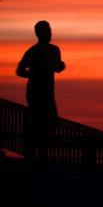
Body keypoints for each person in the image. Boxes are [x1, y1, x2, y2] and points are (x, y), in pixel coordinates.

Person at [16, 20, 66, 161]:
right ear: (39, 33)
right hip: (36, 93)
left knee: (47, 124)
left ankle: (39, 157)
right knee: (39, 124)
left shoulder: (50, 50)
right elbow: (20, 70)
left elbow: (57, 68)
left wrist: (60, 66)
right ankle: (35, 158)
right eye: (47, 31)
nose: (50, 33)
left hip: (46, 92)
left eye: (50, 30)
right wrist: (34, 74)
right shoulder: (38, 51)